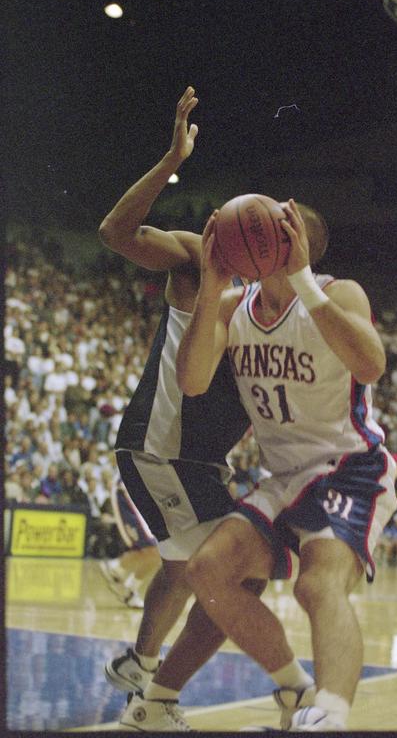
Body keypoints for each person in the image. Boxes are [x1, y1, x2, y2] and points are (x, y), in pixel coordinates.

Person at [97, 86, 297, 732]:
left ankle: (141, 667)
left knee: (187, 566)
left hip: (198, 462)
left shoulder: (282, 314)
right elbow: (115, 233)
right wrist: (171, 161)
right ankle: (158, 698)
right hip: (163, 446)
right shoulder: (196, 260)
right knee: (225, 573)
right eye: (256, 225)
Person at [177, 199, 397, 732]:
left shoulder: (338, 293)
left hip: (349, 467)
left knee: (317, 585)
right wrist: (210, 284)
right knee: (208, 571)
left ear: (289, 243)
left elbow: (371, 365)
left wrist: (302, 280)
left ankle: (331, 718)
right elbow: (192, 380)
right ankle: (295, 688)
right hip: (282, 477)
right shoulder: (232, 305)